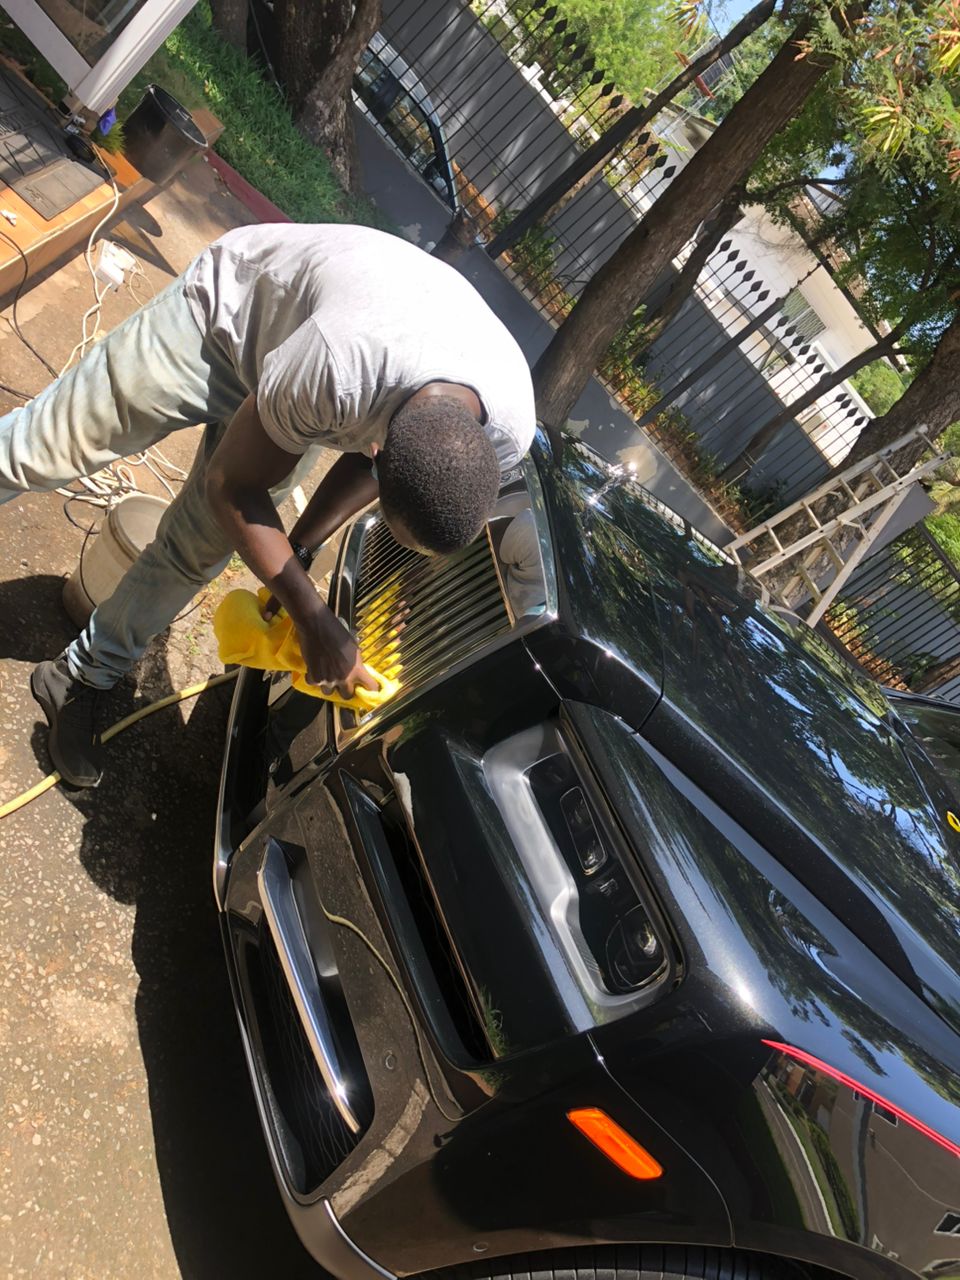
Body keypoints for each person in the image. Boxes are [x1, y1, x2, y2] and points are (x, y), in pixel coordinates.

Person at [0, 223, 535, 788]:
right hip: (227, 317)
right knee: (41, 450)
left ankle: (83, 673)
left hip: (310, 380)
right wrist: (312, 618)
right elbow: (231, 486)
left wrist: (298, 551)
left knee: (196, 552)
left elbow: (362, 469)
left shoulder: (504, 434)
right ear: (382, 447)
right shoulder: (342, 368)